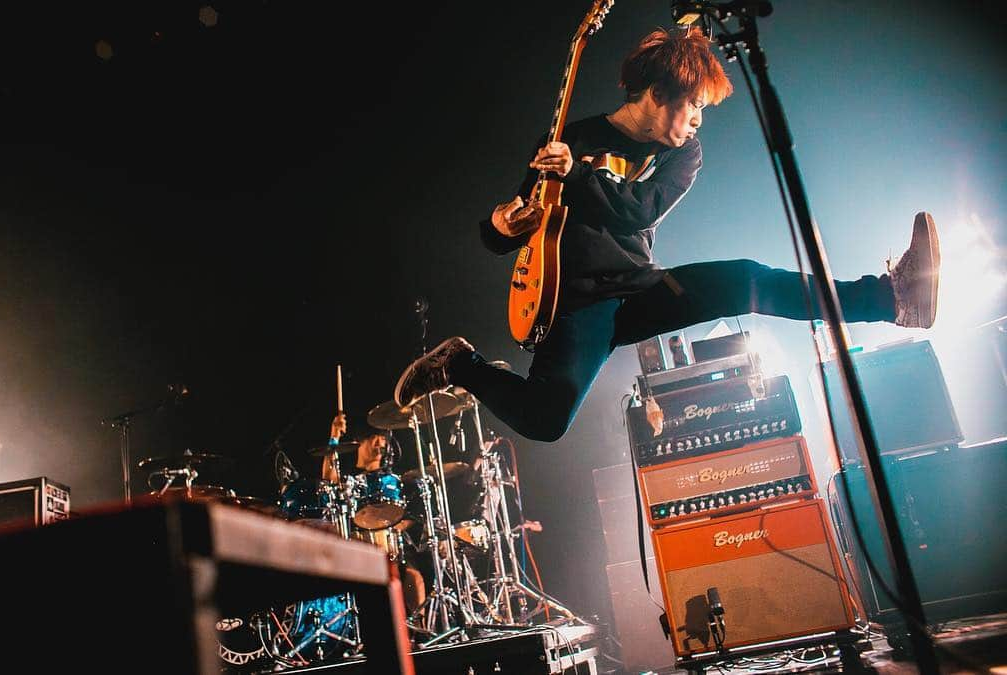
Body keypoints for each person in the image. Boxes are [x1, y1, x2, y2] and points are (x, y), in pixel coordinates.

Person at [393, 26, 940, 442]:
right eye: (695, 104)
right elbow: (509, 235)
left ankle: (891, 298)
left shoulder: (683, 154)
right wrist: (501, 223)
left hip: (640, 288)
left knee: (747, 279)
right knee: (545, 419)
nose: (700, 119)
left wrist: (578, 175)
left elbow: (637, 212)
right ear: (658, 92)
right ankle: (460, 364)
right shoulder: (570, 137)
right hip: (575, 302)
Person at [322, 412, 427, 614]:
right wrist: (334, 435)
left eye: (384, 439)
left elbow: (410, 516)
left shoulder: (393, 480)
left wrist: (397, 527)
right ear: (360, 442)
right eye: (374, 437)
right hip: (359, 550)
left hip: (393, 548)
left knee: (415, 580)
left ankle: (418, 633)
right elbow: (328, 480)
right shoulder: (351, 481)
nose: (381, 444)